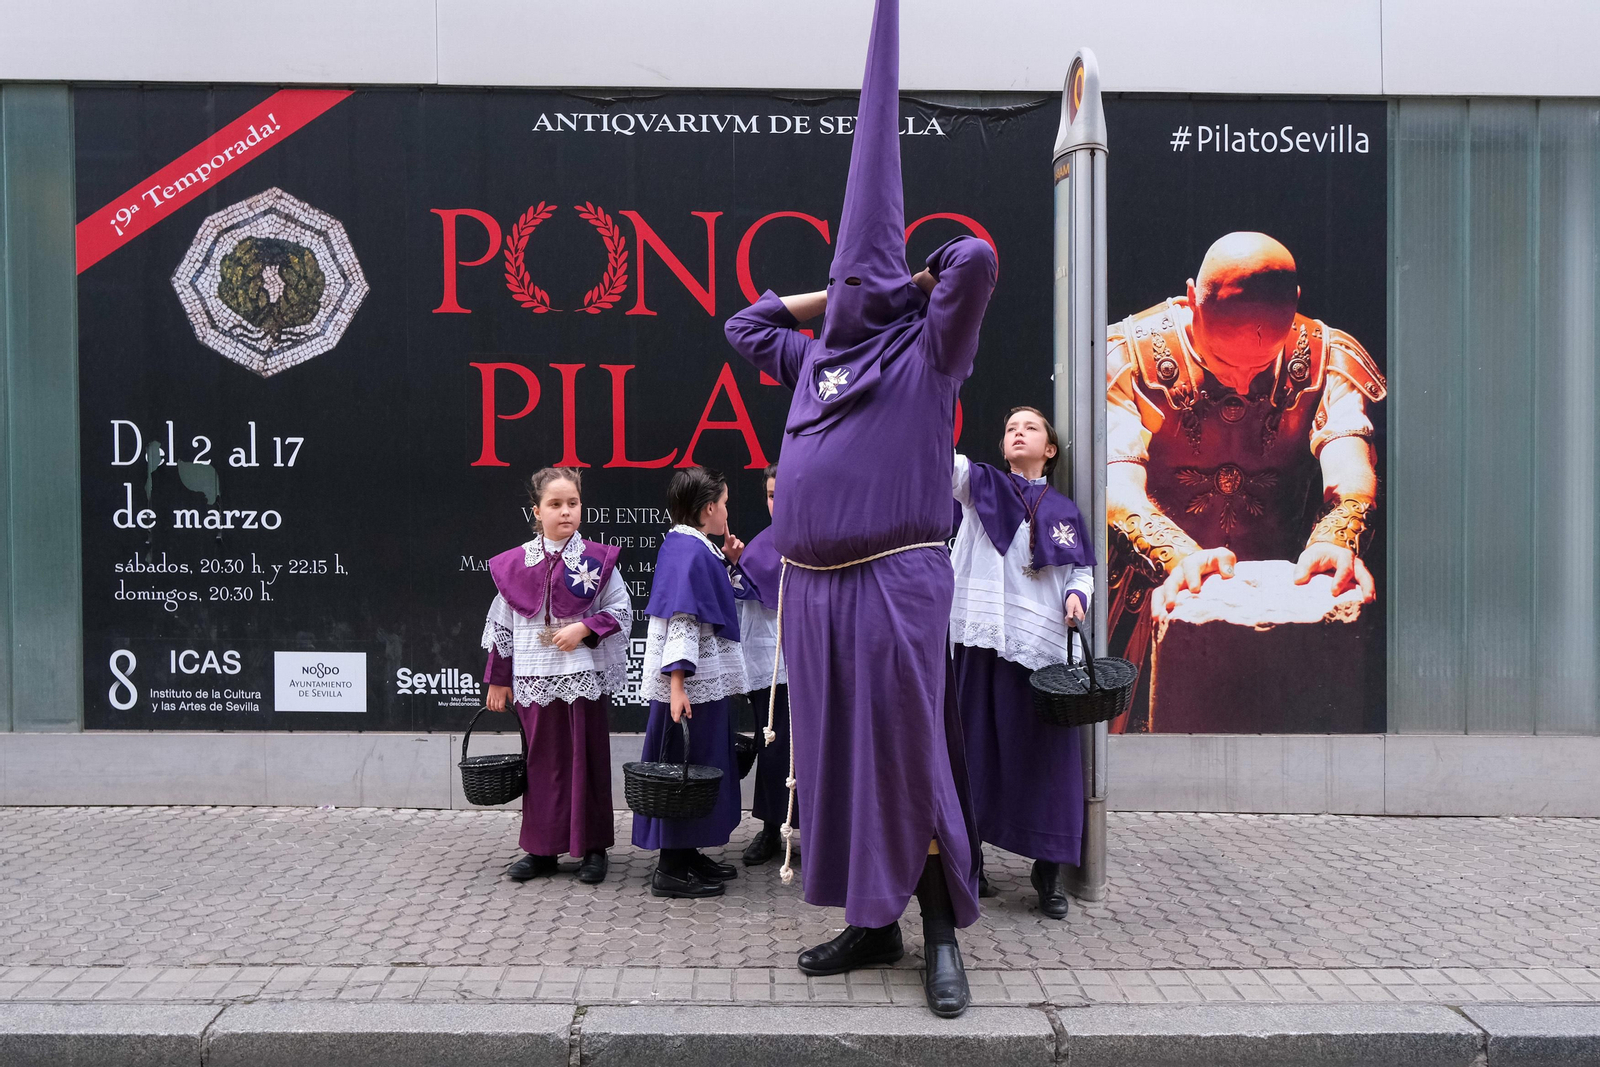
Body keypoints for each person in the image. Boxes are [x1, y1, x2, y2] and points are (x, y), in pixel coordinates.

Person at [723, 0, 996, 1018]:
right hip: (813, 586)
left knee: (905, 754)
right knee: (835, 759)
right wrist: (830, 296)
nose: (846, 292)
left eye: (858, 281)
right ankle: (871, 919)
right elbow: (742, 324)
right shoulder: (813, 360)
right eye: (841, 280)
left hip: (895, 577)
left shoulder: (925, 351)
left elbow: (975, 260)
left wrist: (901, 286)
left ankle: (939, 932)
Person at [1105, 231, 1386, 732]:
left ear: (1295, 303)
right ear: (1191, 299)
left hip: (1283, 594)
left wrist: (1336, 539)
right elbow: (1116, 486)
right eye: (1223, 362)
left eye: (1259, 364)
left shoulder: (1328, 357)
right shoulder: (1125, 357)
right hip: (1151, 595)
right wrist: (1180, 557)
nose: (1240, 383)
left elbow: (1350, 467)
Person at [951, 407, 1094, 919]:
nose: (1018, 432)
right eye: (1010, 427)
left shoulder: (1065, 510)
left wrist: (1077, 596)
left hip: (1041, 650)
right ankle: (971, 863)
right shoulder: (981, 487)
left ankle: (1048, 870)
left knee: (1047, 761)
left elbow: (1081, 571)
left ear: (1049, 450)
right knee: (971, 753)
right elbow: (946, 464)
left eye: (1030, 427)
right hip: (982, 639)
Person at [483, 467, 631, 885]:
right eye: (555, 504)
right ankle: (542, 849)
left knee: (587, 760)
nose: (566, 511)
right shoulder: (515, 565)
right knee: (542, 764)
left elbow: (621, 611)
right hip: (536, 678)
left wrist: (584, 628)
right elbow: (502, 626)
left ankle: (593, 848)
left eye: (573, 503)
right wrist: (499, 679)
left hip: (582, 678)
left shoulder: (598, 561)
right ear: (537, 511)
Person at [631, 466, 749, 898]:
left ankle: (688, 853)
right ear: (708, 508)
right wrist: (677, 686)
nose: (728, 512)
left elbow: (707, 602)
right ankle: (671, 868)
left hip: (699, 681)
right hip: (690, 686)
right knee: (685, 768)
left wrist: (729, 561)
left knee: (698, 765)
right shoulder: (689, 551)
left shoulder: (693, 546)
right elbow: (682, 617)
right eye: (725, 504)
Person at [733, 464, 796, 867]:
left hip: (818, 665)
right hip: (772, 669)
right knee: (773, 747)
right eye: (771, 495)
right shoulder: (757, 549)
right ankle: (771, 828)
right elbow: (747, 615)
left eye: (783, 493)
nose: (777, 502)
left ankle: (822, 832)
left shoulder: (824, 541)